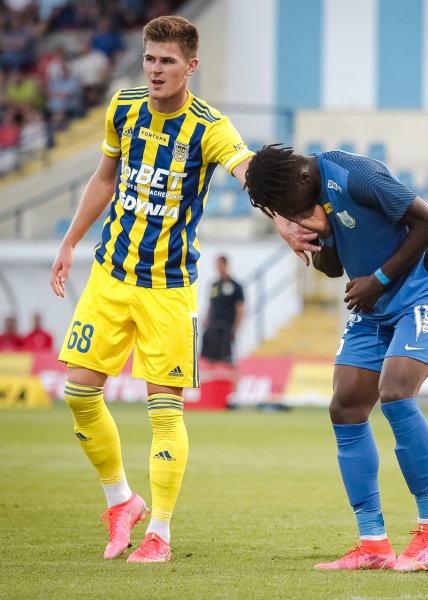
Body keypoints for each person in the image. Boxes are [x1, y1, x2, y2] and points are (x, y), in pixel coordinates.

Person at [49, 15, 256, 564]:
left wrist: (283, 213)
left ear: (191, 66)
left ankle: (159, 531)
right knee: (78, 392)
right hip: (110, 274)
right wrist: (70, 241)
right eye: (149, 58)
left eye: (167, 61)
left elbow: (246, 169)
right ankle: (122, 500)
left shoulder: (209, 127)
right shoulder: (123, 107)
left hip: (168, 287)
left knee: (164, 412)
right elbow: (105, 178)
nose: (155, 69)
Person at [245, 144, 428, 572]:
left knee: (396, 394)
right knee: (345, 407)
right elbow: (330, 267)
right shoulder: (309, 199)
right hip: (372, 308)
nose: (290, 215)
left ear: (302, 177)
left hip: (422, 296)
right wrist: (322, 234)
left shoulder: (355, 175)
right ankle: (373, 542)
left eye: (287, 205)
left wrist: (377, 279)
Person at [201, 255, 244, 365]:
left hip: (227, 325)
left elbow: (240, 308)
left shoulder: (236, 286)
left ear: (226, 265)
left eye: (220, 264)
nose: (218, 267)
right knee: (210, 356)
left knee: (226, 357)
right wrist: (205, 319)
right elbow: (211, 303)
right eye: (217, 264)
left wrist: (236, 327)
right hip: (214, 324)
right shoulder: (215, 285)